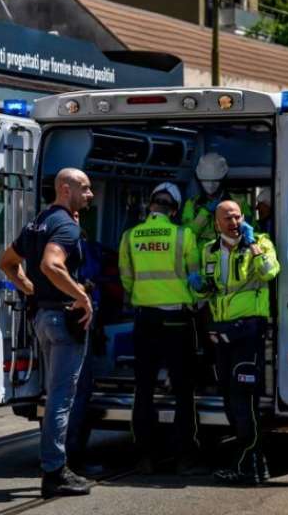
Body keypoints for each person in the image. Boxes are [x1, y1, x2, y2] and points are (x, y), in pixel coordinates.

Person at [0, 167, 94, 498]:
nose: (90, 194)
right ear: (65, 189)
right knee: (61, 398)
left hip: (42, 318)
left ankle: (56, 465)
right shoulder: (64, 226)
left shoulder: (38, 222)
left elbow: (7, 260)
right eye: (85, 188)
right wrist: (81, 297)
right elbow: (51, 265)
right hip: (63, 319)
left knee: (55, 395)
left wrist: (25, 287)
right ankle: (55, 471)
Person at [191, 200, 280, 485]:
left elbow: (269, 272)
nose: (233, 221)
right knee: (229, 397)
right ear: (217, 223)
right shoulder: (209, 250)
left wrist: (253, 246)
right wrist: (198, 287)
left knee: (245, 397)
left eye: (237, 216)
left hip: (248, 330)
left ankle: (251, 464)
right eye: (227, 218)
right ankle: (250, 462)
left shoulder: (261, 243)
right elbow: (210, 288)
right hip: (221, 332)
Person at [118, 182, 200, 474]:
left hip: (145, 319)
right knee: (182, 391)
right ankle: (184, 458)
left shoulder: (129, 237)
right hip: (177, 320)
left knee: (144, 389)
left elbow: (126, 280)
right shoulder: (183, 235)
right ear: (175, 210)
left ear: (151, 205)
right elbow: (195, 277)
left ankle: (145, 456)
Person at [66, 214, 104, 474]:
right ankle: (72, 458)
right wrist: (85, 289)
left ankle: (66, 457)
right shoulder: (72, 241)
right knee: (77, 392)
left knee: (69, 392)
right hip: (77, 318)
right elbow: (87, 276)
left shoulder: (49, 235)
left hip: (71, 317)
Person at [181, 153, 250, 255]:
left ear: (223, 179)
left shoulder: (238, 201)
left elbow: (249, 231)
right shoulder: (191, 204)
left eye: (215, 181)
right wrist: (203, 214)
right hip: (202, 260)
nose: (210, 185)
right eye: (205, 181)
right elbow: (186, 236)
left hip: (229, 257)